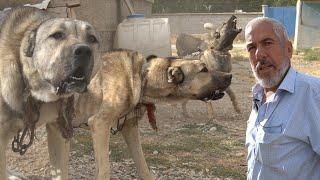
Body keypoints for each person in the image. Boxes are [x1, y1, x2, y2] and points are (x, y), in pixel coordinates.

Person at [245, 17, 320, 179]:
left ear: (288, 49)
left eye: (267, 43)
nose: (259, 54)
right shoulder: (259, 94)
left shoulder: (313, 94)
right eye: (251, 47)